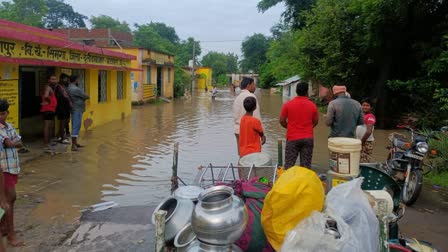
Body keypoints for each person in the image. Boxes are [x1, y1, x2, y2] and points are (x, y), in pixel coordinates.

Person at [0, 99, 24, 247]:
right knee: (9, 200)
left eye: (3, 113)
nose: (1, 117)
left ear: (8, 113)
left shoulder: (9, 126)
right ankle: (11, 235)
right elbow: (10, 143)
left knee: (8, 200)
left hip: (12, 167)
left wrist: (13, 143)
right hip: (3, 169)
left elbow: (19, 143)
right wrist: (13, 143)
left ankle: (5, 228)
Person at [279, 82, 319, 169]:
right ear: (307, 92)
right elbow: (315, 121)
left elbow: (282, 121)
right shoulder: (312, 105)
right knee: (306, 167)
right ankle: (304, 182)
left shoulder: (288, 105)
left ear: (296, 91)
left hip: (292, 138)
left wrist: (289, 127)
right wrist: (308, 128)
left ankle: (289, 182)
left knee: (289, 165)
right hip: (308, 138)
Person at [232, 77, 261, 155]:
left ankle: (240, 167)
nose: (255, 87)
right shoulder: (251, 97)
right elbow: (256, 117)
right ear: (249, 85)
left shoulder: (237, 97)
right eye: (254, 84)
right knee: (251, 156)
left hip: (238, 129)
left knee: (242, 155)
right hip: (248, 131)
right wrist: (262, 134)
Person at [67, 75, 89, 151]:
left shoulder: (70, 88)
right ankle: (73, 145)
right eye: (78, 79)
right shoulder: (75, 89)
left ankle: (75, 143)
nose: (78, 81)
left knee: (76, 126)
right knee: (76, 127)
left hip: (76, 108)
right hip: (77, 109)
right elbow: (86, 96)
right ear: (76, 80)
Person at [41, 74, 58, 150]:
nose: (54, 81)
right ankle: (46, 144)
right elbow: (46, 96)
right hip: (48, 109)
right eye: (52, 79)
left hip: (50, 109)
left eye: (55, 79)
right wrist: (49, 102)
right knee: (47, 126)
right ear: (48, 80)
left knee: (50, 126)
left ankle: (48, 142)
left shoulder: (48, 87)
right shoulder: (48, 87)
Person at [54, 73, 72, 144]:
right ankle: (63, 138)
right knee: (63, 122)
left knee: (67, 121)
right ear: (61, 79)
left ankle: (59, 135)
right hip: (61, 107)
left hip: (66, 107)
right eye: (65, 79)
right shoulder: (58, 86)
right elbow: (62, 96)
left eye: (67, 79)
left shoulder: (65, 86)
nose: (66, 80)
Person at [356, 98, 376, 163]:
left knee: (364, 162)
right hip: (359, 141)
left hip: (366, 142)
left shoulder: (370, 116)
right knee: (357, 160)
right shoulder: (360, 115)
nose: (365, 107)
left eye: (367, 105)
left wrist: (362, 142)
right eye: (363, 105)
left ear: (371, 107)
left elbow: (369, 131)